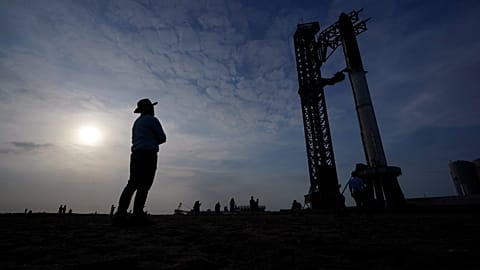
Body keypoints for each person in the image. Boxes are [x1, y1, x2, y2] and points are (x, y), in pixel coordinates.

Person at [113, 98, 167, 226]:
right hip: (148, 155)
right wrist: (153, 141)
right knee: (144, 185)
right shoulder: (153, 120)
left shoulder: (137, 123)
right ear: (148, 108)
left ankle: (120, 214)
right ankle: (137, 215)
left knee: (132, 184)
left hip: (136, 154)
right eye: (151, 107)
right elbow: (162, 138)